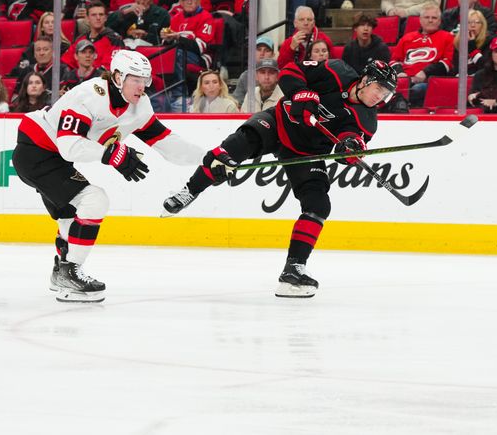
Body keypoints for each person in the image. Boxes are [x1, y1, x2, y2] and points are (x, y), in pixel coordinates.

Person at [161, 59, 398, 298]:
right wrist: (301, 93)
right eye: (379, 88)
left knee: (318, 205)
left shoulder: (367, 119)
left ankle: (293, 270)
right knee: (229, 152)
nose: (381, 96)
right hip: (277, 123)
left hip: (307, 151)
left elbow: (350, 142)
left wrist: (349, 151)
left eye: (386, 93)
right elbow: (292, 69)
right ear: (365, 81)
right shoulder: (337, 71)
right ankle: (189, 191)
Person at [11, 50, 206, 302]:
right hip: (35, 152)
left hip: (51, 156)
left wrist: (208, 157)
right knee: (94, 200)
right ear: (117, 76)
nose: (142, 86)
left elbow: (165, 141)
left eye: (145, 79)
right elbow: (69, 147)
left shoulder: (139, 106)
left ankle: (62, 271)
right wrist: (113, 154)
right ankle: (69, 273)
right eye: (135, 78)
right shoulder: (88, 95)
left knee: (72, 212)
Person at [161, 0, 217, 110]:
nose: (190, 2)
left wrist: (178, 37)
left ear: (198, 1)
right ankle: (163, 96)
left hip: (201, 57)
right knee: (163, 54)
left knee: (178, 53)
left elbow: (201, 47)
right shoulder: (176, 18)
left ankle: (180, 95)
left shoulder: (206, 17)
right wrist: (167, 38)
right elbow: (167, 45)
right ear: (181, 2)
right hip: (179, 53)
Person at [390, 4, 454, 106]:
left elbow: (447, 63)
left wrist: (425, 73)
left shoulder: (447, 37)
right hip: (405, 79)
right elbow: (394, 61)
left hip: (430, 82)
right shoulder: (407, 38)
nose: (430, 20)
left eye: (434, 18)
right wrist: (400, 73)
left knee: (415, 90)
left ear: (439, 21)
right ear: (420, 20)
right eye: (427, 17)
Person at [201, 0, 248, 69]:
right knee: (218, 23)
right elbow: (205, 11)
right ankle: (219, 64)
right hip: (214, 22)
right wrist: (220, 13)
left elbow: (239, 12)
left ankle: (220, 64)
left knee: (224, 23)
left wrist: (221, 14)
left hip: (235, 23)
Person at [62, 1, 124, 70]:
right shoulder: (81, 39)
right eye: (94, 15)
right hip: (80, 78)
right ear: (87, 18)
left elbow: (109, 68)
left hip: (102, 79)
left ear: (106, 18)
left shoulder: (115, 39)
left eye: (101, 14)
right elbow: (66, 61)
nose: (98, 18)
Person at [107, 0, 171, 47]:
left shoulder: (162, 14)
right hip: (126, 47)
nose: (142, 1)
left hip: (152, 49)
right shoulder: (126, 10)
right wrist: (125, 12)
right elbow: (107, 25)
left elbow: (167, 39)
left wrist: (146, 35)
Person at [233, 36, 278, 105]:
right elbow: (237, 103)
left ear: (273, 55)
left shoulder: (281, 76)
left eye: (266, 50)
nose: (262, 54)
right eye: (259, 49)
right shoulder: (245, 76)